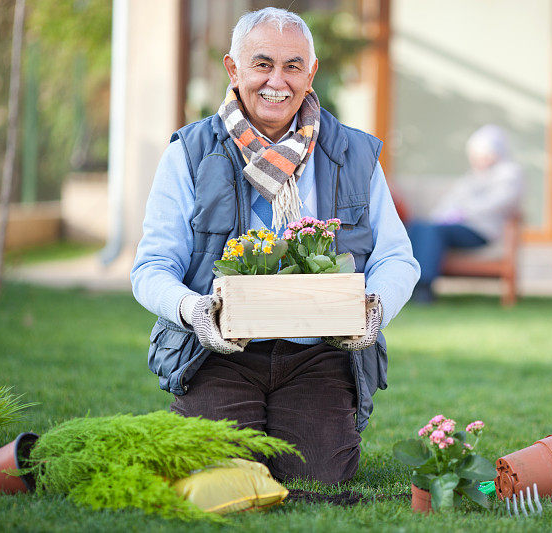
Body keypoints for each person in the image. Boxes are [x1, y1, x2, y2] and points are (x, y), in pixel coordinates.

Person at [130, 8, 419, 484]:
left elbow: (397, 258)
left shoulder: (354, 153)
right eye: (262, 64)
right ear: (233, 69)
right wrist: (195, 311)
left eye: (292, 66)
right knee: (218, 476)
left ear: (311, 73)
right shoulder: (190, 151)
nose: (277, 82)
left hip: (318, 353)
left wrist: (374, 310)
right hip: (220, 355)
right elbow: (152, 267)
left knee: (318, 478)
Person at [407, 125, 523, 302]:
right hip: (457, 226)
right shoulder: (472, 177)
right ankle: (409, 282)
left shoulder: (509, 174)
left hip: (480, 230)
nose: (478, 159)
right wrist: (441, 216)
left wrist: (463, 212)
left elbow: (499, 202)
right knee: (419, 226)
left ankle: (424, 288)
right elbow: (450, 201)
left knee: (434, 231)